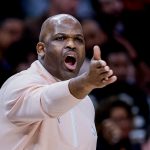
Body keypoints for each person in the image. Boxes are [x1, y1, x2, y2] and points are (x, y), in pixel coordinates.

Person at [0, 14, 117, 150]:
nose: (71, 45)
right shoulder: (19, 84)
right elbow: (47, 103)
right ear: (41, 49)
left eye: (78, 39)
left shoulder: (85, 102)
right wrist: (86, 82)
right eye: (60, 38)